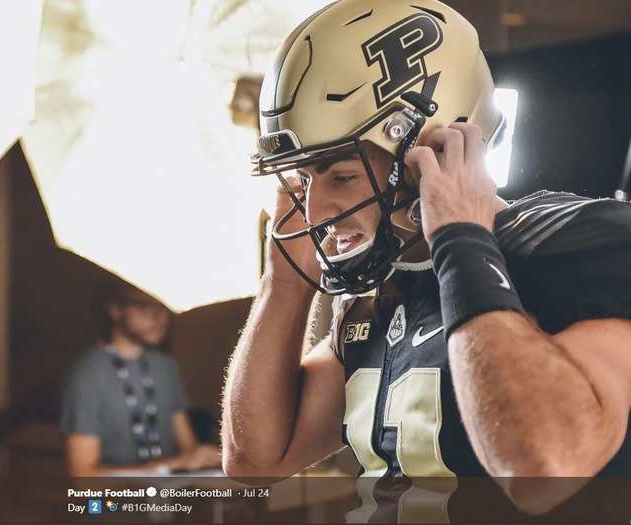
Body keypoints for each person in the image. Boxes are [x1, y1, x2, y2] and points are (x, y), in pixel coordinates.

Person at [221, 0, 631, 514]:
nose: (314, 209)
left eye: (342, 176)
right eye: (303, 180)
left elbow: (542, 470)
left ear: (435, 146)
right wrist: (281, 285)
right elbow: (254, 461)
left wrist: (460, 238)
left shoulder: (576, 243)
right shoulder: (380, 299)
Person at [61, 280, 220, 476]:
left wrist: (204, 458)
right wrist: (170, 465)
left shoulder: (165, 365)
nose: (160, 319)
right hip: (113, 504)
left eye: (163, 308)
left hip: (166, 500)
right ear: (115, 309)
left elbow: (188, 448)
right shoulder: (87, 373)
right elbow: (84, 478)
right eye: (146, 307)